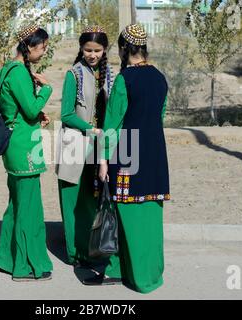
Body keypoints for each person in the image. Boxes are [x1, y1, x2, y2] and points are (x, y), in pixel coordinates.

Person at [83, 24, 170, 293]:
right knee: (150, 218)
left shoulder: (124, 80)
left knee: (126, 216)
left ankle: (134, 276)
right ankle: (150, 274)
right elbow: (161, 115)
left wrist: (104, 160)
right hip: (155, 154)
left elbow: (112, 124)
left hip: (129, 154)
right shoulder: (160, 77)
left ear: (123, 49)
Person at [0, 24, 54, 281]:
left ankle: (4, 258)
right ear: (28, 47)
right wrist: (47, 90)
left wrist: (36, 112)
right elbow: (28, 110)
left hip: (14, 143)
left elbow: (14, 108)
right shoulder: (18, 73)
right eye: (43, 47)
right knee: (29, 208)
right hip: (24, 147)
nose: (44, 52)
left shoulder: (7, 68)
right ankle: (26, 267)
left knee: (16, 205)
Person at [55, 26, 115, 266]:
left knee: (91, 200)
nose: (92, 54)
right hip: (74, 144)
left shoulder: (106, 74)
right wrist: (90, 128)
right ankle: (74, 254)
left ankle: (90, 248)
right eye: (88, 50)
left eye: (97, 50)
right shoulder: (74, 74)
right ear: (81, 48)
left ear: (104, 50)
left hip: (96, 147)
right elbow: (66, 114)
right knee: (71, 202)